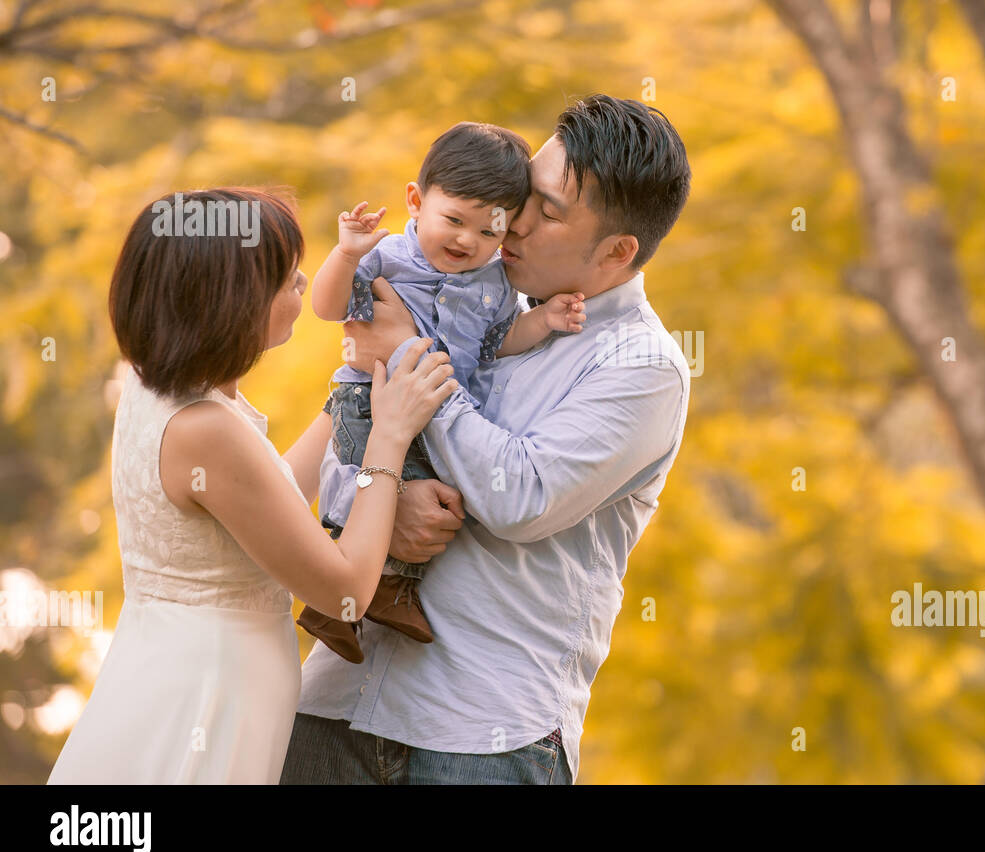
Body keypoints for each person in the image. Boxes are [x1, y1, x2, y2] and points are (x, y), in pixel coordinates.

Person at [280, 94, 692, 785]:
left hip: (481, 738)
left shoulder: (641, 368)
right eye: (523, 195)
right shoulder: (454, 290)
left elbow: (521, 496)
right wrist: (383, 498)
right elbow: (319, 458)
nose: (513, 220)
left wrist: (412, 354)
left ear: (618, 251)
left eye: (548, 211)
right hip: (335, 702)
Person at [47, 188, 455, 784]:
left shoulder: (162, 387)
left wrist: (353, 395)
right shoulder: (204, 428)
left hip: (175, 673)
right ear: (232, 302)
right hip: (205, 700)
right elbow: (345, 591)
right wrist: (389, 438)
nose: (304, 283)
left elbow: (265, 505)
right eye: (288, 278)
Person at [300, 122, 586, 662]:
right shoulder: (388, 257)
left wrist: (544, 319)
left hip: (437, 410)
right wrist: (344, 256)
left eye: (488, 233)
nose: (465, 241)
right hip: (371, 397)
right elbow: (328, 308)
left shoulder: (496, 282)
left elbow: (497, 344)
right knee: (386, 488)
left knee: (436, 495)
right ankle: (339, 584)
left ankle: (380, 593)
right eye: (453, 220)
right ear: (416, 200)